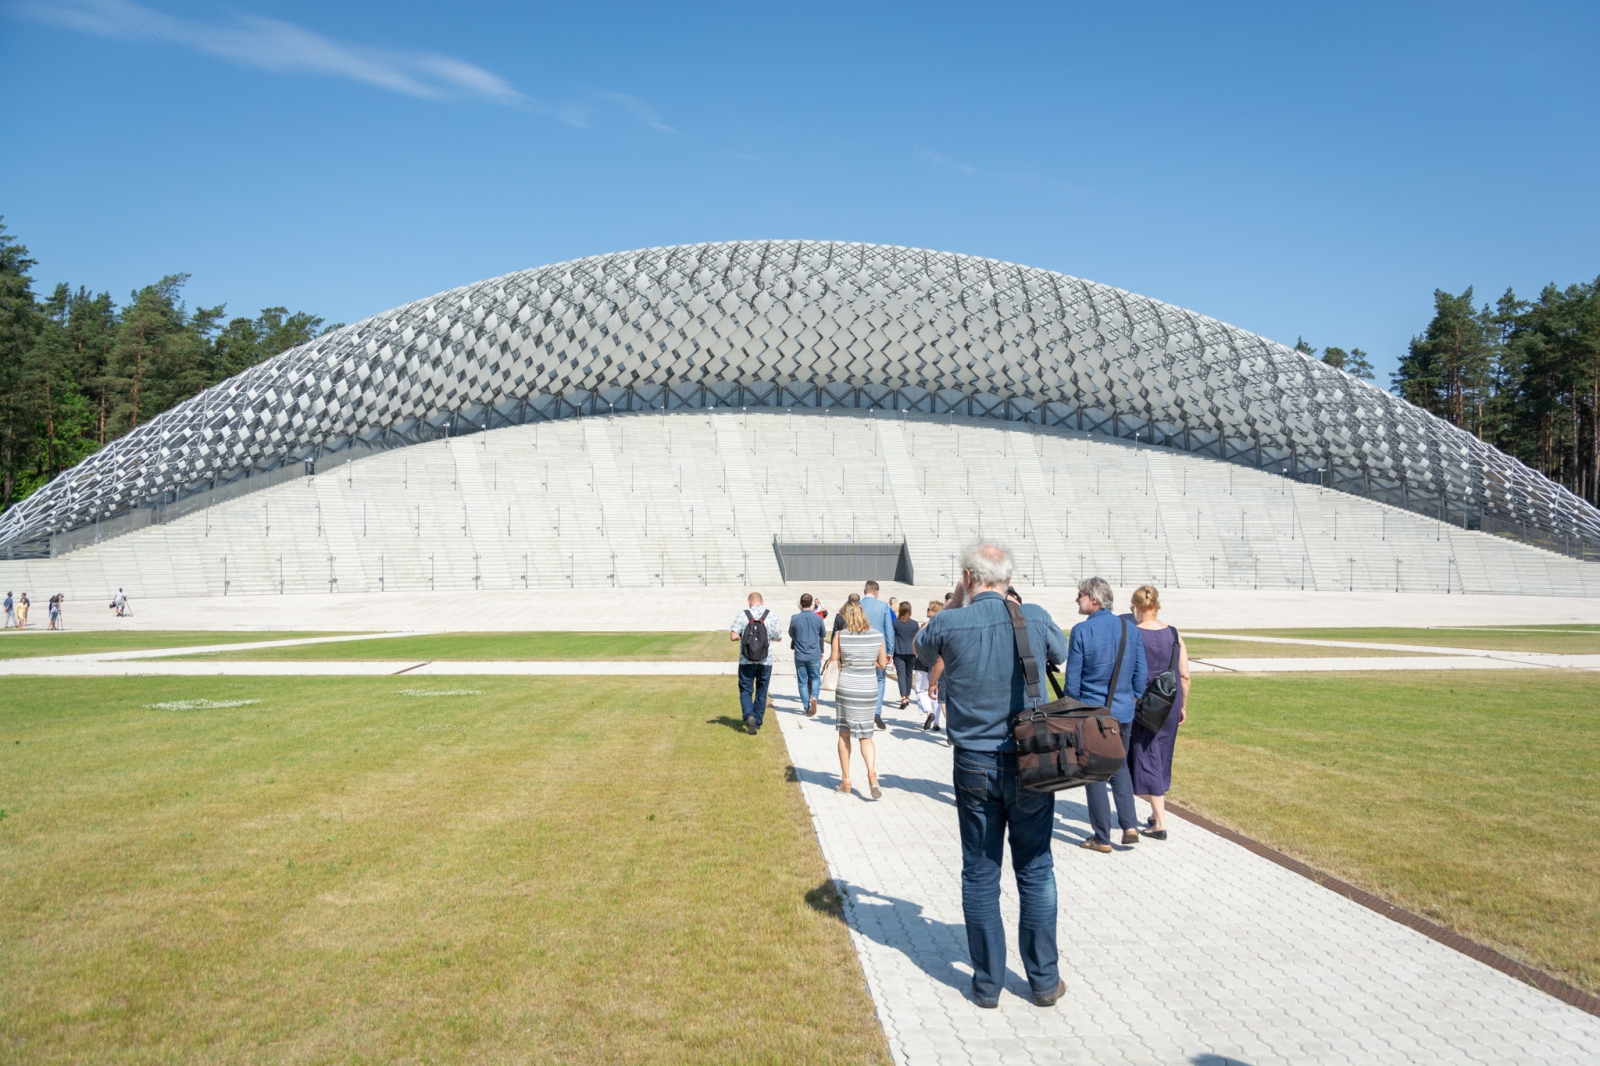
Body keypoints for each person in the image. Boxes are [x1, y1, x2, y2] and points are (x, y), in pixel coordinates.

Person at [914, 539, 1068, 1010]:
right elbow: (1058, 652)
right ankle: (1043, 978)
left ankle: (987, 984)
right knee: (1036, 868)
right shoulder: (1035, 616)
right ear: (1008, 580)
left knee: (981, 873)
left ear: (967, 577)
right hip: (1029, 757)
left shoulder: (949, 620)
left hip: (975, 759)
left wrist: (963, 601)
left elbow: (922, 652)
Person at [1067, 576, 1148, 853]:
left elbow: (1072, 683)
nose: (1076, 599)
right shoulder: (1130, 628)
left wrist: (1073, 709)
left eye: (1080, 594)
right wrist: (1132, 697)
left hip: (1092, 713)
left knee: (1094, 772)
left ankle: (1101, 837)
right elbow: (1141, 673)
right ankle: (1129, 826)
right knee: (1120, 766)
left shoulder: (1081, 631)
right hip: (1123, 711)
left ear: (1094, 599)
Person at [1128, 586, 1190, 839]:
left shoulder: (1132, 633)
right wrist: (1183, 705)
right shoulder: (1174, 633)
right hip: (1170, 701)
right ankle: (1156, 813)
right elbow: (1184, 675)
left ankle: (1160, 822)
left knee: (1147, 755)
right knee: (1162, 755)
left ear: (1134, 607)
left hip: (1143, 703)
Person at [831, 600, 887, 799]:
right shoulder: (877, 636)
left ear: (846, 616)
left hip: (847, 687)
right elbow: (882, 663)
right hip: (868, 688)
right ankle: (872, 774)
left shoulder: (840, 636)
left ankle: (846, 780)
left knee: (844, 734)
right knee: (866, 735)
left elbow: (834, 661)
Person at [729, 592, 783, 735]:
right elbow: (778, 637)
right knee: (761, 691)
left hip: (746, 660)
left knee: (746, 689)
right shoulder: (771, 615)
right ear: (762, 601)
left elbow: (733, 636)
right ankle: (757, 722)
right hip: (766, 660)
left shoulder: (743, 615)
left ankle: (749, 716)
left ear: (749, 602)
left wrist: (744, 637)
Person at [859, 580, 895, 730]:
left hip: (860, 648)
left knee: (861, 680)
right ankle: (877, 712)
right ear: (877, 592)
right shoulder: (883, 606)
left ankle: (863, 713)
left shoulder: (857, 606)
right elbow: (889, 629)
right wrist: (889, 651)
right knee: (880, 680)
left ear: (864, 591)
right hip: (878, 647)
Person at [790, 593, 827, 717]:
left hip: (800, 654)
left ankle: (806, 707)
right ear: (811, 603)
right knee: (815, 677)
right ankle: (814, 696)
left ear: (801, 603)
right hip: (814, 654)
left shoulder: (795, 618)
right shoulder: (817, 618)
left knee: (802, 681)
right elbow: (823, 634)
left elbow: (791, 634)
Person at [915, 600, 943, 730]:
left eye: (929, 609)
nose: (927, 611)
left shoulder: (926, 626)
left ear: (934, 612)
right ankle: (936, 722)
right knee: (935, 693)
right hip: (938, 661)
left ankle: (929, 712)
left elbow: (916, 643)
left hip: (924, 660)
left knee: (921, 689)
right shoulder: (943, 627)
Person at [891, 602, 920, 710]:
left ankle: (903, 697)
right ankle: (907, 696)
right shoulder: (914, 624)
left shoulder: (895, 623)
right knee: (909, 674)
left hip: (899, 651)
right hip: (911, 652)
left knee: (901, 675)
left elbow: (892, 638)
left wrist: (891, 653)